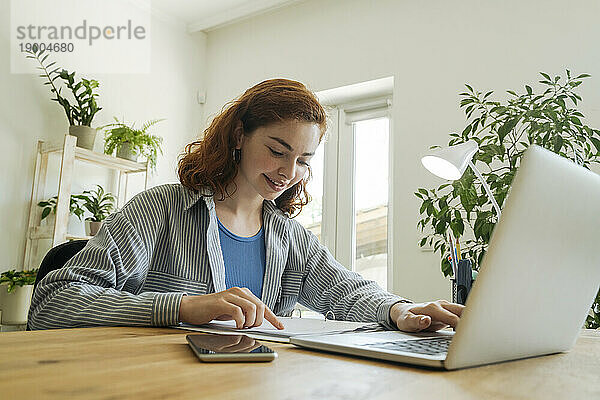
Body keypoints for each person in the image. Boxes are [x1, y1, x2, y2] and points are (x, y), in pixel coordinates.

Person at [28, 78, 464, 332]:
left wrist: (401, 310)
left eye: (303, 161)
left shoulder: (288, 236)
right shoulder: (159, 210)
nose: (289, 171)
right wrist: (181, 307)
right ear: (239, 137)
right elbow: (52, 304)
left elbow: (347, 291)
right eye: (277, 150)